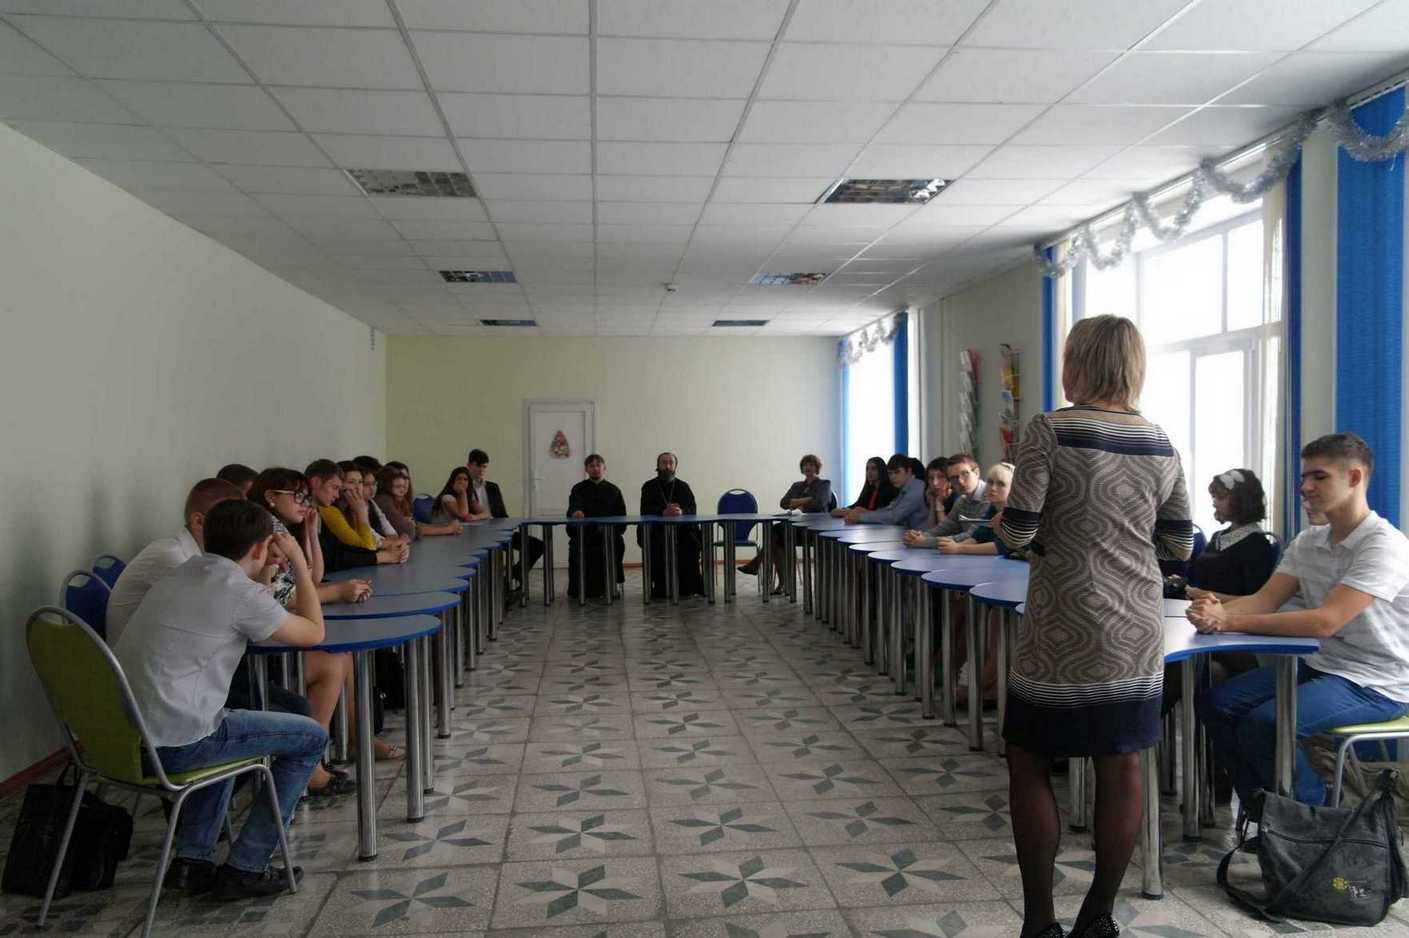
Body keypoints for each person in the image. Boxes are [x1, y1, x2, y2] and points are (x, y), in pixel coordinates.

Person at [996, 315, 1192, 938]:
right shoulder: (1160, 441)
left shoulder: (1050, 429)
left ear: (1076, 363)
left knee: (1029, 757)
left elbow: (1018, 531)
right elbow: (1181, 544)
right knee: (1122, 762)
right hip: (1136, 624)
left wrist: (1024, 533)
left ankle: (1039, 923)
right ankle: (1098, 916)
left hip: (1064, 618)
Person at [114, 499, 328, 900]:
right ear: (262, 547)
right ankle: (247, 865)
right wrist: (299, 562)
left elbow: (254, 601)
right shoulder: (238, 593)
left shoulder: (180, 574)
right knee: (310, 736)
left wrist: (263, 567)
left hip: (124, 740)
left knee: (225, 723)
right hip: (175, 746)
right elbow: (314, 633)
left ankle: (192, 862)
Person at [1192, 433, 1409, 808]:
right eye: (1305, 476)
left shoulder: (1383, 545)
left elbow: (1326, 622)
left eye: (1319, 477)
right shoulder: (1309, 541)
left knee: (1267, 724)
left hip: (1378, 681)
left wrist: (1225, 622)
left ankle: (1315, 819)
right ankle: (1269, 815)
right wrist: (1215, 612)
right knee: (1216, 703)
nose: (1305, 486)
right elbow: (1264, 601)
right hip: (1323, 666)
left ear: (1355, 478)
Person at [250, 468, 396, 780]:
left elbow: (311, 577)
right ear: (271, 497)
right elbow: (281, 595)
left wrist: (311, 535)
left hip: (271, 636)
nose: (305, 504)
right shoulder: (263, 532)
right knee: (333, 660)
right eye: (298, 497)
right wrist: (336, 592)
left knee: (343, 655)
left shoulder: (283, 529)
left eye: (306, 498)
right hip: (258, 655)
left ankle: (355, 739)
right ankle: (310, 764)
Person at [107, 478, 244, 644]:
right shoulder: (171, 556)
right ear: (199, 522)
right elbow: (222, 610)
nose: (241, 531)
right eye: (232, 522)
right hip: (133, 655)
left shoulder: (200, 555)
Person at [740, 454, 832, 593]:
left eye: (811, 465)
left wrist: (796, 502)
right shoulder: (797, 486)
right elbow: (783, 503)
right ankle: (781, 583)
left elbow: (819, 503)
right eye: (805, 465)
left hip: (813, 529)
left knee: (776, 536)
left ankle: (759, 566)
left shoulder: (824, 484)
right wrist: (806, 500)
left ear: (817, 468)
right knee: (775, 533)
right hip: (795, 527)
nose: (808, 467)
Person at [305, 460, 406, 571]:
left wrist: (394, 547)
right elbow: (363, 548)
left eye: (360, 482)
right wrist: (361, 514)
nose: (358, 488)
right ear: (316, 483)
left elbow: (366, 546)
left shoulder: (358, 506)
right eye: (351, 482)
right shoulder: (326, 510)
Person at [466, 448, 544, 585]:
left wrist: (506, 527)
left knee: (537, 545)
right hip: (476, 535)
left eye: (484, 466)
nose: (481, 470)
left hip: (498, 532)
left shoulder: (493, 487)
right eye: (478, 466)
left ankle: (514, 574)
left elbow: (502, 513)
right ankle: (501, 582)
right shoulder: (464, 487)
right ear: (469, 465)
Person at [638, 452, 704, 598]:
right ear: (658, 465)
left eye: (670, 463)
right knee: (656, 545)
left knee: (690, 543)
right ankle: (662, 587)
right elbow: (645, 510)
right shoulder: (649, 487)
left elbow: (692, 509)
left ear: (675, 466)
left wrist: (681, 511)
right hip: (657, 531)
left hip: (682, 532)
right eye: (664, 463)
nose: (667, 466)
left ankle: (689, 587)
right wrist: (662, 512)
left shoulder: (683, 486)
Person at [914, 461, 1014, 555]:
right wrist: (955, 546)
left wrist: (958, 548)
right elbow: (978, 535)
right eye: (990, 482)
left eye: (1001, 484)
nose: (993, 488)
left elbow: (1002, 547)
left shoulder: (1014, 510)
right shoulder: (993, 506)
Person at [567, 453, 628, 600]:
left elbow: (621, 516)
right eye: (591, 466)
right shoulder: (578, 489)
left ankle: (611, 586)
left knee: (616, 543)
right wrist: (576, 512)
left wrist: (607, 529)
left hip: (608, 534)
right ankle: (580, 589)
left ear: (604, 468)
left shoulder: (614, 490)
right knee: (578, 545)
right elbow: (574, 507)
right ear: (586, 469)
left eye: (598, 465)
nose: (595, 469)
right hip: (585, 533)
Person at [843, 453, 928, 529]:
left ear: (909, 471)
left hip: (924, 537)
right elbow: (890, 509)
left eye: (897, 472)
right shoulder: (905, 488)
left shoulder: (916, 489)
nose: (893, 477)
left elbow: (894, 516)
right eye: (890, 473)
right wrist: (866, 514)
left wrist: (861, 517)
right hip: (912, 535)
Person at [375, 466, 461, 539]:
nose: (402, 490)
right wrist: (448, 529)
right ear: (386, 486)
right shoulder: (384, 500)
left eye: (403, 485)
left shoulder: (400, 500)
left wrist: (446, 526)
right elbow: (408, 532)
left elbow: (415, 525)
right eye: (398, 486)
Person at [343, 459, 408, 549]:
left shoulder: (372, 502)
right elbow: (371, 541)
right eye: (367, 484)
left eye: (374, 484)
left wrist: (393, 541)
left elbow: (390, 532)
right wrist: (393, 542)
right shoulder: (381, 500)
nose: (372, 488)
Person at [922, 457, 956, 528]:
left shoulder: (958, 497)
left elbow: (945, 531)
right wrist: (932, 504)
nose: (935, 483)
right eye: (931, 478)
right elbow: (932, 529)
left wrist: (939, 503)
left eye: (941, 477)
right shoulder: (933, 495)